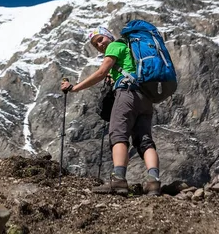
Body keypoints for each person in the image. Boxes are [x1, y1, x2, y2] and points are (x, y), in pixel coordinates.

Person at [60, 26, 161, 196]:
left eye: (100, 39)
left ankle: (118, 180)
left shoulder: (115, 46)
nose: (99, 45)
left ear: (109, 36)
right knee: (145, 141)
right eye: (95, 44)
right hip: (145, 98)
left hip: (127, 94)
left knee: (118, 135)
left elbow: (101, 72)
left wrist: (74, 88)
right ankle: (154, 182)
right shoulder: (131, 49)